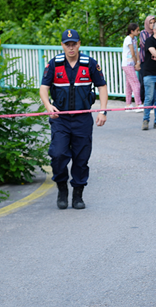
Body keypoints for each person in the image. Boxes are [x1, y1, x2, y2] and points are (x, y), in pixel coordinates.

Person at [40, 29, 108, 210]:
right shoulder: (54, 64)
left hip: (82, 119)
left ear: (79, 44)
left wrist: (103, 111)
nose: (71, 47)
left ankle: (78, 194)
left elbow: (102, 87)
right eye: (67, 44)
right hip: (60, 119)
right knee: (58, 154)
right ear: (62, 45)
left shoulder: (90, 64)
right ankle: (62, 188)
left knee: (81, 158)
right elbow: (43, 88)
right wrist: (48, 106)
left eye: (74, 44)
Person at [122, 23, 143, 112]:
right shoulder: (128, 39)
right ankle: (138, 104)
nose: (138, 32)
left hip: (131, 64)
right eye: (137, 30)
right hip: (127, 64)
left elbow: (137, 52)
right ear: (132, 31)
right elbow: (132, 53)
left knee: (129, 85)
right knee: (136, 84)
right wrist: (136, 64)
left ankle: (128, 104)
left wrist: (138, 62)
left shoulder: (135, 39)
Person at [137, 15, 156, 107]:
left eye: (154, 23)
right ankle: (144, 102)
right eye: (150, 23)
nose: (152, 25)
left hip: (155, 61)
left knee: (155, 81)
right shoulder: (143, 33)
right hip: (145, 60)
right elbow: (146, 44)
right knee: (144, 82)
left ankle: (153, 102)